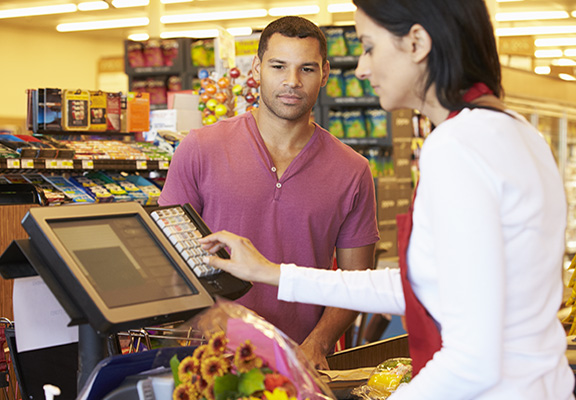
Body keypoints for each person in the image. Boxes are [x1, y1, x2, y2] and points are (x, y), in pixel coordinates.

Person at [198, 0, 576, 398]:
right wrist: (271, 272)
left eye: (369, 46)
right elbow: (426, 286)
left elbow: (472, 361)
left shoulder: (457, 146)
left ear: (416, 43)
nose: (361, 67)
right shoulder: (513, 130)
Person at [158, 16, 379, 369]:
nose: (292, 82)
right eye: (279, 66)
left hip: (303, 364)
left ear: (324, 73)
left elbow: (356, 284)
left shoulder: (353, 170)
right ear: (257, 68)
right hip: (211, 362)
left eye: (306, 69)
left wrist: (317, 344)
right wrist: (203, 318)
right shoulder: (200, 148)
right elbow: (167, 255)